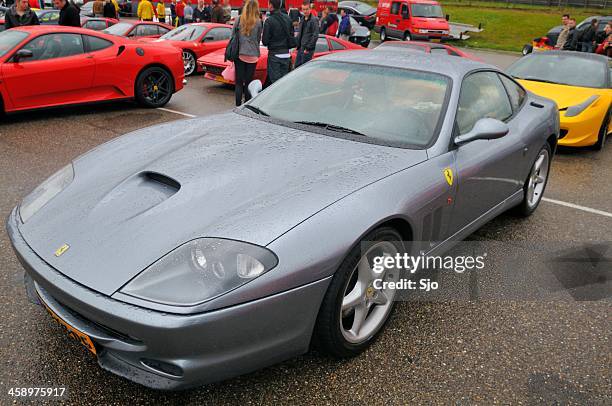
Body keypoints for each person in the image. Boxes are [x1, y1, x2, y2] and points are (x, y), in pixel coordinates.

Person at [232, 0, 262, 106]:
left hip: (240, 54)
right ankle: (246, 105)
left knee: (239, 83)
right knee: (249, 83)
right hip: (253, 55)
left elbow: (232, 36)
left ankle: (237, 105)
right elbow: (258, 39)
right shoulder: (258, 21)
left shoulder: (239, 19)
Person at [262, 0, 294, 84]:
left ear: (271, 6)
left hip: (274, 55)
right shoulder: (288, 18)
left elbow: (264, 41)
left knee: (274, 83)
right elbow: (292, 35)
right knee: (283, 83)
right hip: (286, 54)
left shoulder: (269, 21)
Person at [295, 0, 318, 67]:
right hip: (300, 48)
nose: (305, 11)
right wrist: (297, 45)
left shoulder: (314, 20)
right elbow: (300, 33)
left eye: (307, 9)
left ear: (310, 9)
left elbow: (315, 35)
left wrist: (308, 48)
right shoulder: (302, 19)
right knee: (296, 67)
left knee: (304, 69)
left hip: (307, 50)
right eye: (303, 9)